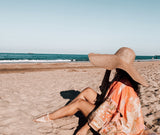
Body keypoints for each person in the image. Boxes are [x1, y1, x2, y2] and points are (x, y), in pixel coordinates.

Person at [34, 47, 149, 135]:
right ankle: (68, 110)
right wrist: (108, 69)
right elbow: (105, 89)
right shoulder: (122, 78)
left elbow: (107, 109)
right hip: (119, 116)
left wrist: (84, 128)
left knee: (79, 103)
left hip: (119, 125)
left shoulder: (121, 85)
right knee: (88, 91)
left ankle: (50, 116)